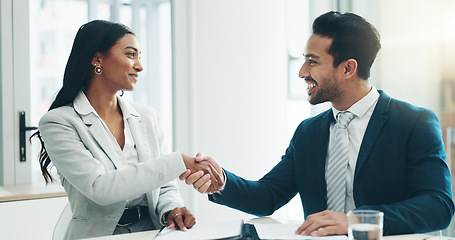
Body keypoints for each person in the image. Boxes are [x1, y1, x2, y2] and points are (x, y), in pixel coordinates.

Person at [181, 11, 454, 236]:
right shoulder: (309, 132)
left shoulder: (414, 123)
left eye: (312, 62)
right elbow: (268, 195)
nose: (302, 72)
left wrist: (354, 222)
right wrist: (222, 182)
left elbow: (438, 206)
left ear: (348, 68)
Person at [33, 20, 222, 240]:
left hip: (152, 233)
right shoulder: (58, 122)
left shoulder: (148, 117)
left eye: (139, 56)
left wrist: (172, 209)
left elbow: (165, 186)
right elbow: (99, 188)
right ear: (97, 59)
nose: (139, 66)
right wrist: (177, 161)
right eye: (130, 54)